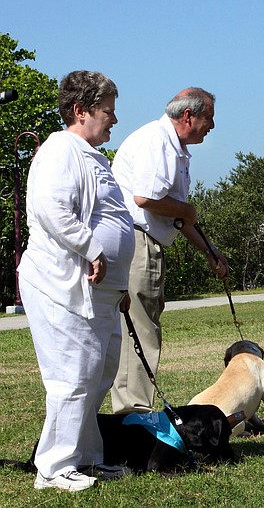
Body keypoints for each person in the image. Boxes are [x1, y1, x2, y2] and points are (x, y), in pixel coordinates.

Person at [18, 71, 134, 491]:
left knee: (98, 374)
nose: (114, 120)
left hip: (101, 291)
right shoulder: (58, 149)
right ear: (80, 111)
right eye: (108, 111)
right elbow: (52, 207)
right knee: (73, 374)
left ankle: (85, 457)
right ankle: (53, 467)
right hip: (62, 285)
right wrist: (93, 248)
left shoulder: (88, 154)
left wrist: (117, 285)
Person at [111, 88, 230, 414]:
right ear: (188, 117)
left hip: (142, 242)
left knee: (139, 326)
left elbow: (177, 215)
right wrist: (187, 211)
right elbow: (146, 199)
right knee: (142, 330)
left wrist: (210, 251)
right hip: (138, 244)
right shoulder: (158, 142)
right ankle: (135, 414)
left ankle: (132, 412)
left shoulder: (172, 147)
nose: (213, 126)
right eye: (209, 118)